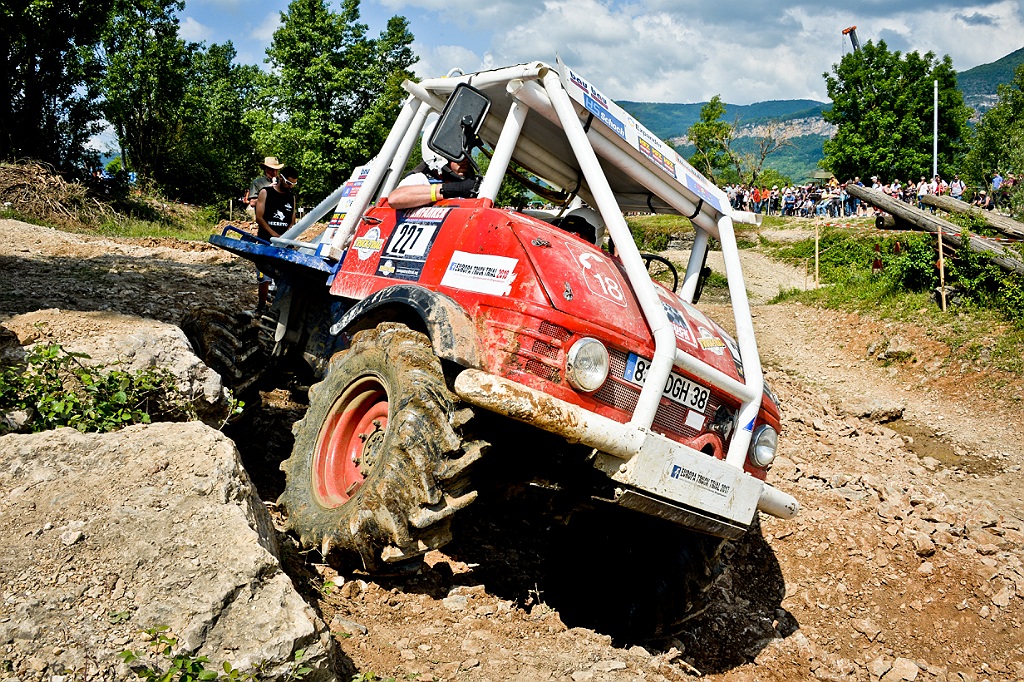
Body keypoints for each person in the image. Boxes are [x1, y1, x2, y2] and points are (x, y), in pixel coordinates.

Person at [253, 165, 299, 312]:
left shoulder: (291, 198)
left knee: (284, 277)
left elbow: (292, 221)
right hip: (266, 241)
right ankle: (261, 306)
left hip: (284, 243)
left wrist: (287, 235)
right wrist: (274, 235)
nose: (291, 187)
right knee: (264, 276)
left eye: (294, 184)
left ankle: (279, 309)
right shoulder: (265, 193)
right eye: (289, 183)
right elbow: (259, 218)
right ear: (281, 178)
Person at [387, 143, 479, 210]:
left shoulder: (469, 185)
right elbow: (394, 199)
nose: (466, 159)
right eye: (459, 154)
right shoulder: (421, 179)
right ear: (440, 155)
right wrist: (450, 190)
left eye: (468, 154)